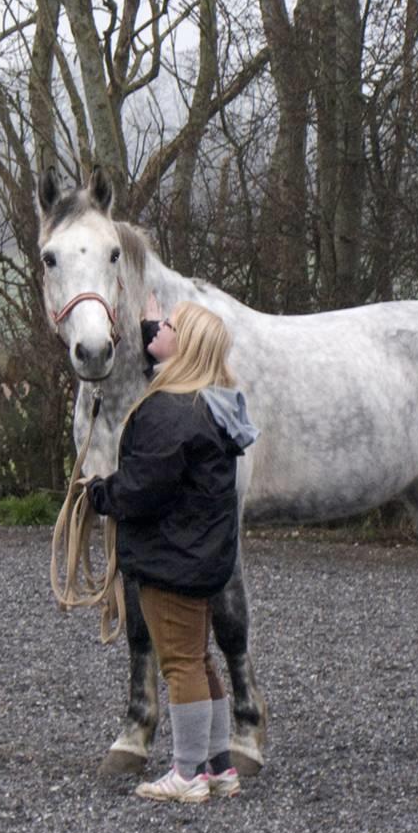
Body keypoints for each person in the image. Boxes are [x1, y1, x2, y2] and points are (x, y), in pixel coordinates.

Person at [86, 299, 259, 804]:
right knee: (201, 662)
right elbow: (162, 364)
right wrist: (149, 327)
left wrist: (98, 492)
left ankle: (187, 774)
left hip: (170, 560)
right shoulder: (210, 404)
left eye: (169, 327)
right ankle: (220, 767)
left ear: (183, 347)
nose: (158, 329)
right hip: (202, 558)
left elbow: (141, 487)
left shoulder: (166, 412)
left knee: (180, 664)